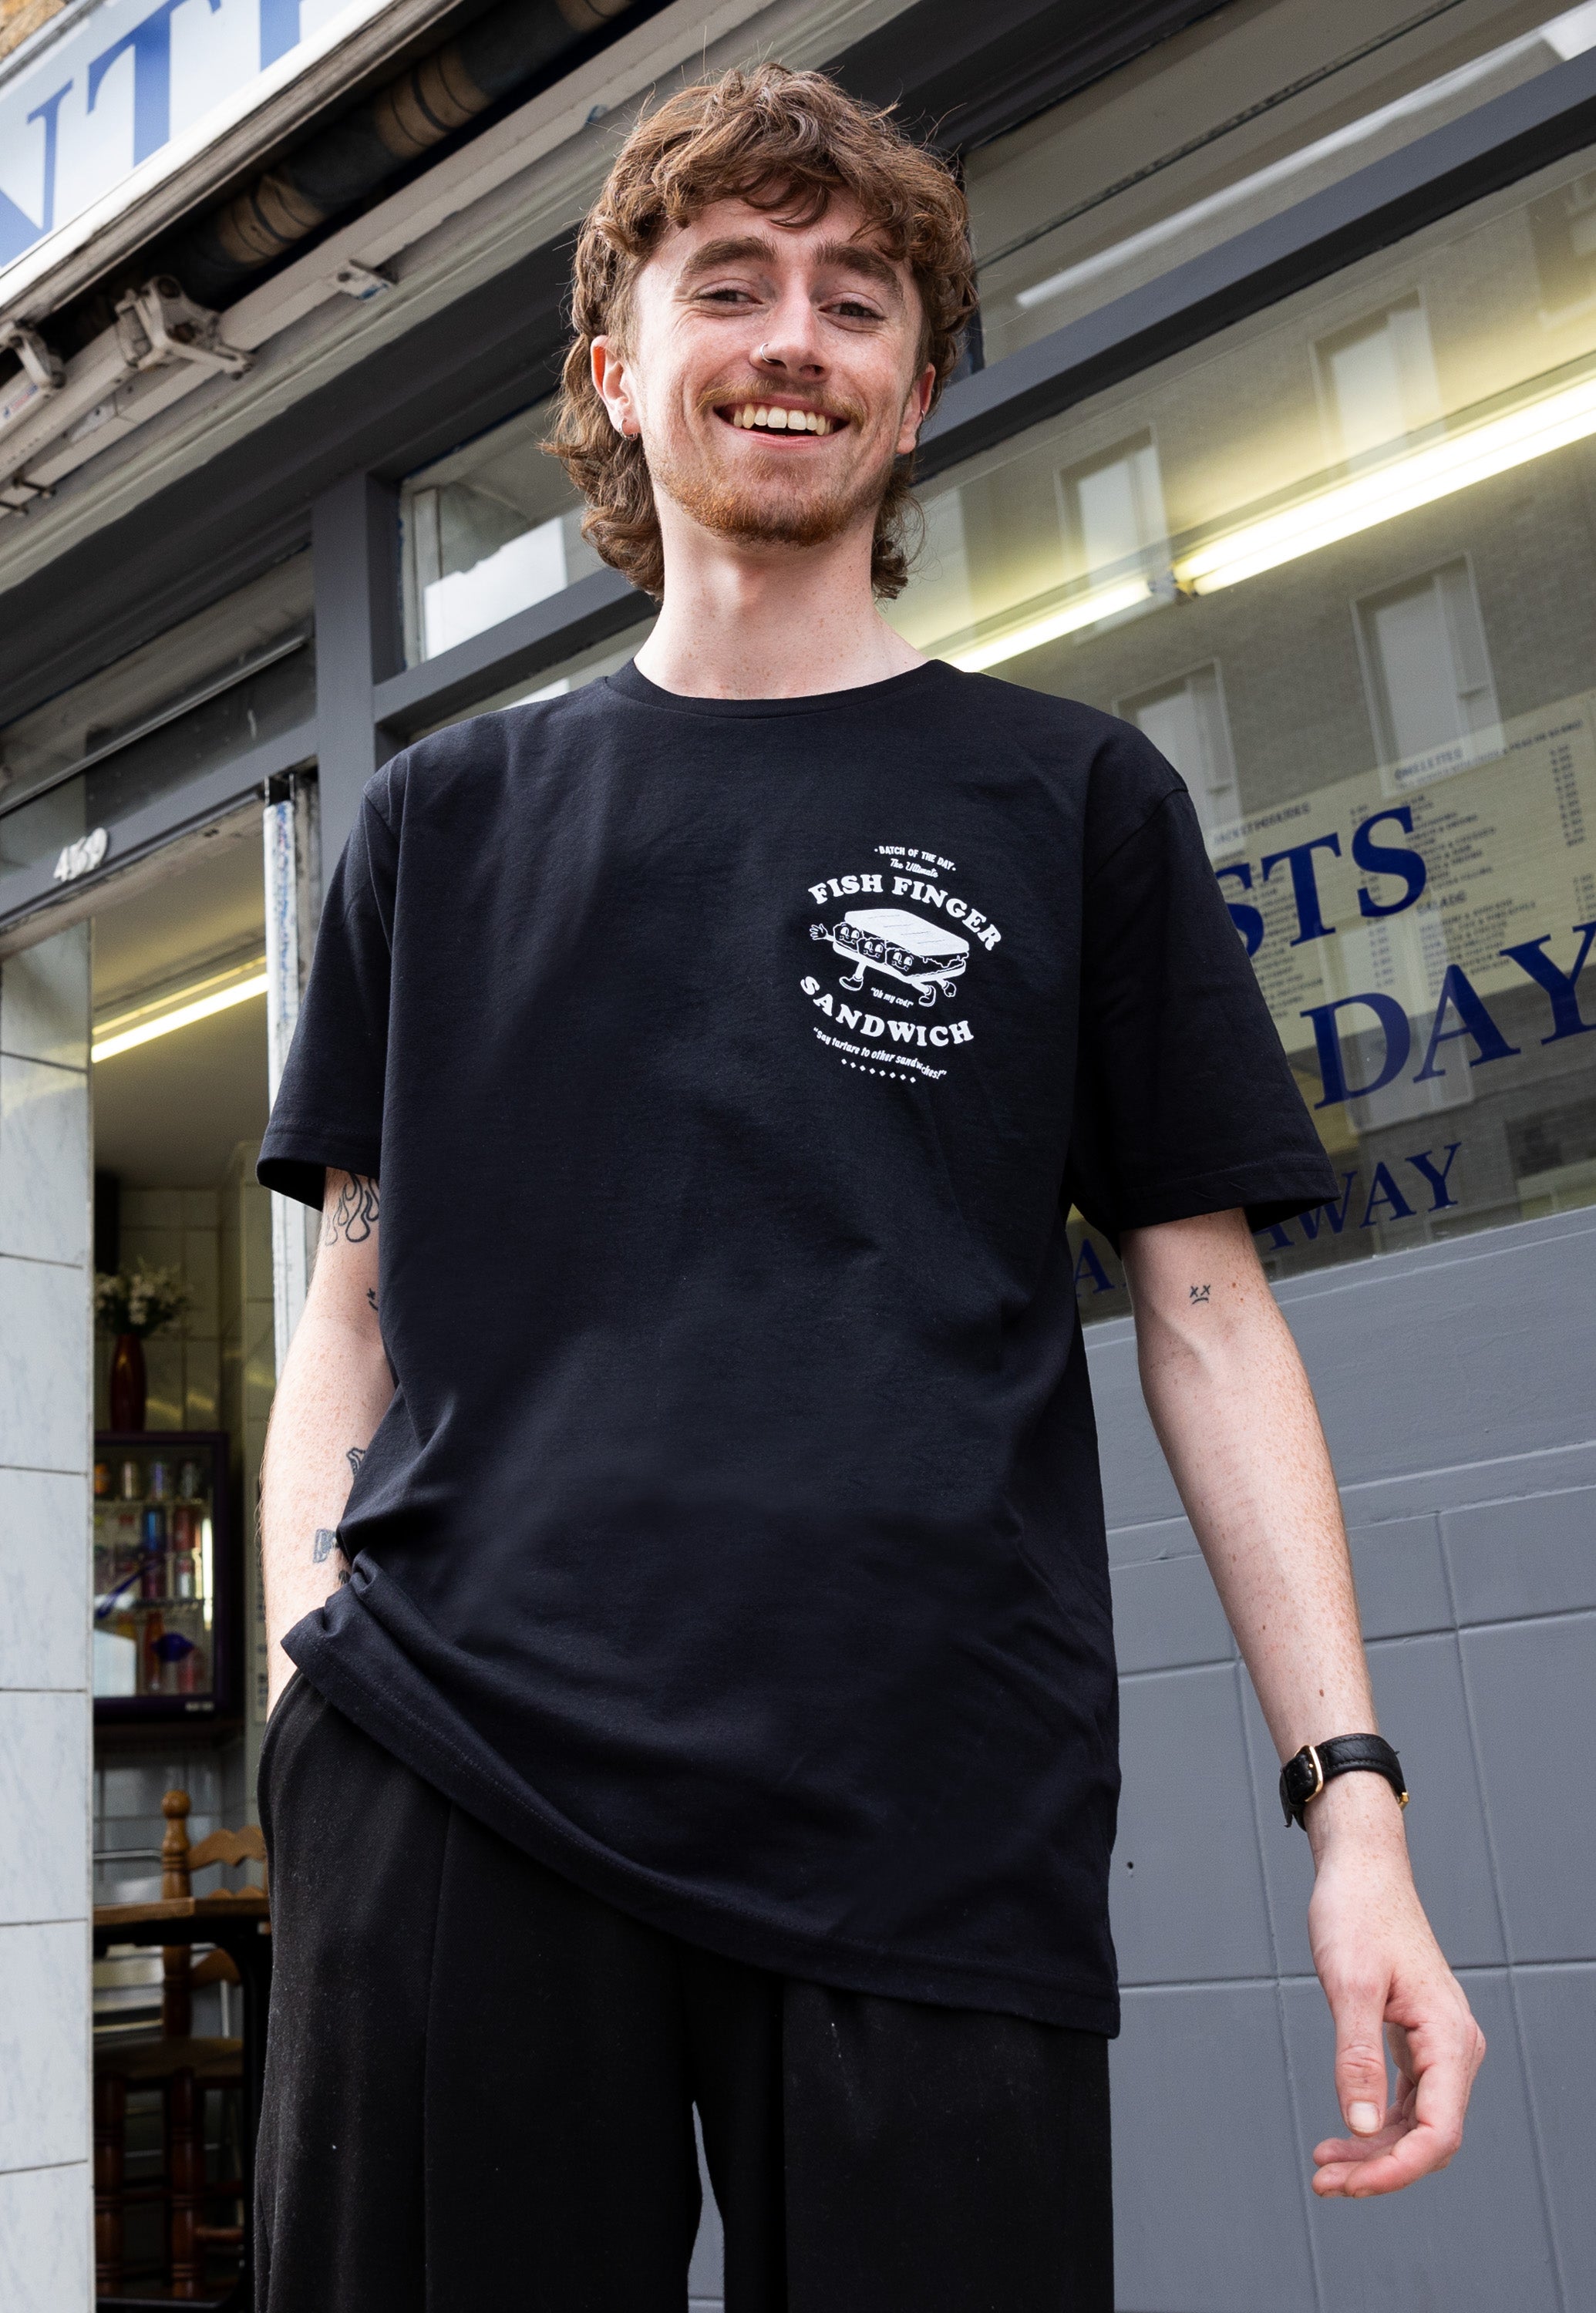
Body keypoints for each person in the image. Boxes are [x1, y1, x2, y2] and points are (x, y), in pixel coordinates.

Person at [254, 62, 1484, 2313]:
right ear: (613, 373)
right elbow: (351, 1310)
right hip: (457, 1781)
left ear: (916, 393)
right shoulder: (442, 824)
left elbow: (1209, 1312)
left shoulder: (1069, 799)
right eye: (730, 284)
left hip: (933, 1800)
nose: (794, 338)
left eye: (856, 298)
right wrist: (296, 1704)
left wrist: (1357, 1808)